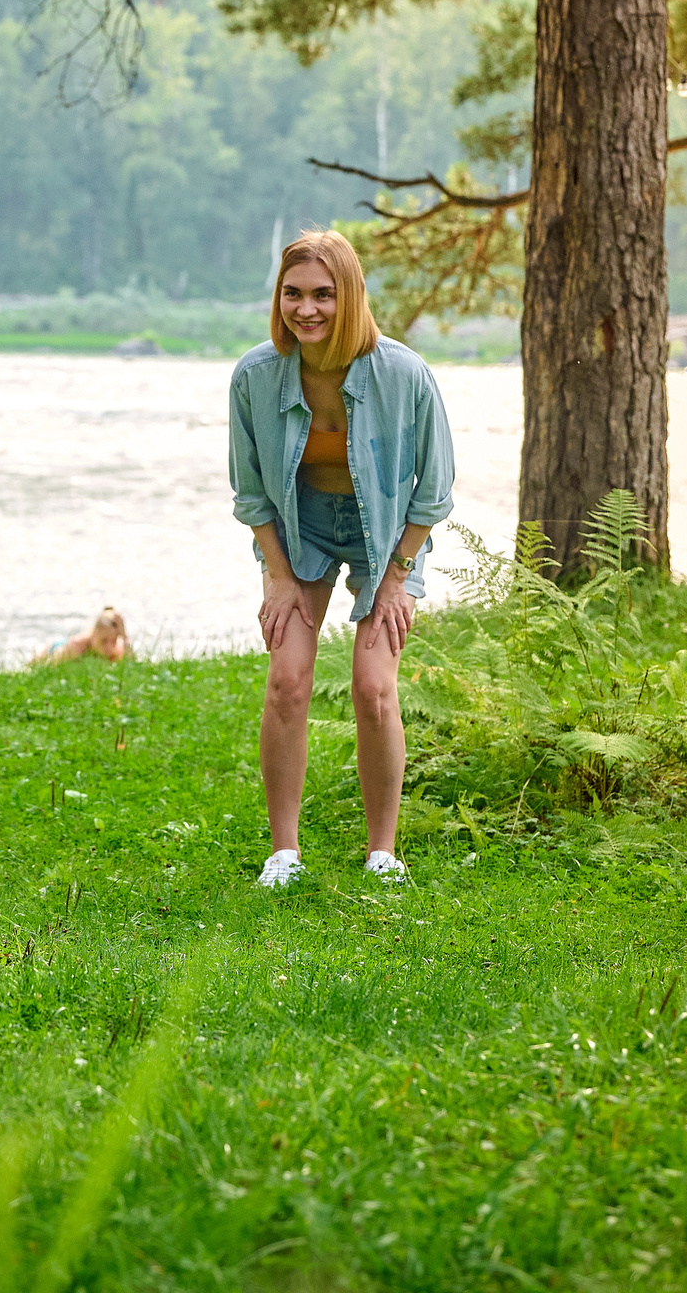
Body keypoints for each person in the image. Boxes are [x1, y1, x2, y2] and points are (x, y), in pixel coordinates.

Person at [227, 229, 455, 888]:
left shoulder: (405, 375)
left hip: (388, 536)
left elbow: (433, 494)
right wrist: (277, 578)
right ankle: (284, 855)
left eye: (323, 295)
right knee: (288, 679)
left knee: (373, 686)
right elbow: (250, 495)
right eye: (292, 294)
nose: (307, 310)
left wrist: (395, 579)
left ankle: (382, 852)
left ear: (350, 296)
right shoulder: (255, 377)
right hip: (301, 534)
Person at [32, 606, 132, 666]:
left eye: (113, 641)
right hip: (55, 648)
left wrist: (125, 636)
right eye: (104, 641)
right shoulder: (77, 645)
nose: (109, 647)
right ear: (94, 634)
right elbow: (49, 665)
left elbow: (131, 666)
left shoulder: (117, 649)